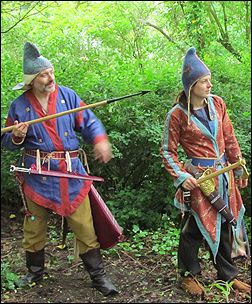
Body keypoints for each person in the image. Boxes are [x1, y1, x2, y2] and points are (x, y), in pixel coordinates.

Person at [1, 42, 118, 296]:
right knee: (33, 227)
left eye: (51, 72)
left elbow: (88, 121)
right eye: (43, 74)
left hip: (71, 173)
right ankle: (34, 273)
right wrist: (18, 136)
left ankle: (98, 276)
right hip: (37, 175)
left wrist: (99, 139)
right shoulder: (19, 106)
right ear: (32, 80)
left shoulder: (68, 97)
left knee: (85, 225)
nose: (50, 77)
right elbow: (7, 143)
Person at [160, 47, 250, 297]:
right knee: (194, 228)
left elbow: (230, 138)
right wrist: (181, 176)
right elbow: (168, 152)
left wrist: (240, 168)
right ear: (191, 86)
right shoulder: (177, 115)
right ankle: (189, 276)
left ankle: (228, 276)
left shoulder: (218, 104)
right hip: (200, 180)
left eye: (209, 80)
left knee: (225, 221)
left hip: (224, 174)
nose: (210, 85)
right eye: (204, 81)